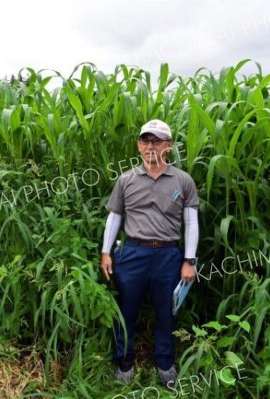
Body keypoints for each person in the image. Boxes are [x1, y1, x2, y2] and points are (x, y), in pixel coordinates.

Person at [100, 119, 200, 387]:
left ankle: (165, 363)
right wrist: (106, 252)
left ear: (169, 146)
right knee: (126, 311)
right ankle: (124, 362)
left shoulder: (183, 181)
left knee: (166, 313)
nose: (150, 146)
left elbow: (191, 222)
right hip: (133, 253)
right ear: (138, 146)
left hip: (169, 256)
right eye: (146, 141)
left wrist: (189, 260)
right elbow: (114, 217)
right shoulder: (126, 180)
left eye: (157, 141)